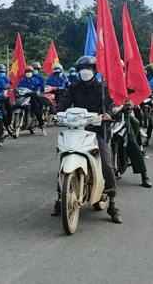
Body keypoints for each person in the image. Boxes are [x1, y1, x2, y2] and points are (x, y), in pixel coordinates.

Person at [52, 56, 121, 224]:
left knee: (106, 162)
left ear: (95, 70)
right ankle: (61, 197)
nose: (85, 71)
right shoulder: (74, 87)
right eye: (82, 68)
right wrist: (54, 112)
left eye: (88, 68)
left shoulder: (102, 87)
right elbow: (65, 102)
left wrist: (108, 114)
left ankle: (112, 204)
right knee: (62, 155)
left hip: (98, 129)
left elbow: (109, 105)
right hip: (77, 129)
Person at [120, 99, 152, 187]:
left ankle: (144, 175)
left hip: (121, 116)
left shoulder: (121, 88)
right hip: (97, 119)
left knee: (133, 143)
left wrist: (130, 103)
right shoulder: (99, 89)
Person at [17, 65, 47, 135]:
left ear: (32, 73)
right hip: (23, 97)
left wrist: (37, 91)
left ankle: (42, 127)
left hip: (32, 97)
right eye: (27, 71)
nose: (28, 73)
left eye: (30, 71)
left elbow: (38, 88)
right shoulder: (22, 81)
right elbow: (18, 88)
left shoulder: (35, 80)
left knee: (37, 110)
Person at [0, 64, 13, 131]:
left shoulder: (5, 80)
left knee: (9, 109)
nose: (1, 74)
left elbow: (6, 87)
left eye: (3, 72)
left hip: (3, 98)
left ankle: (8, 124)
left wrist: (5, 93)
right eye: (0, 72)